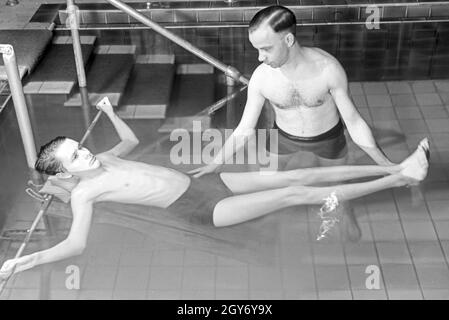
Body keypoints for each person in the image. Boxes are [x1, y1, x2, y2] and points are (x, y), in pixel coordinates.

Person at [0, 97, 429, 280]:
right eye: (75, 157)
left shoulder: (105, 159)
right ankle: (400, 177)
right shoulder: (83, 194)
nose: (86, 153)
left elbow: (129, 143)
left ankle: (396, 167)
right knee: (292, 194)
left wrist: (111, 111)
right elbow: (76, 245)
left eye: (80, 145)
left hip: (204, 182)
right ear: (66, 172)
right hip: (199, 210)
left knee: (297, 175)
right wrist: (21, 264)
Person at [189, 5, 396, 240]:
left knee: (337, 182)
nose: (259, 57)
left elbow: (354, 122)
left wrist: (386, 165)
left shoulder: (327, 69)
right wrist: (214, 164)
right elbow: (244, 129)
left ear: (288, 39)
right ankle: (269, 216)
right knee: (269, 179)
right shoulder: (262, 77)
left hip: (327, 138)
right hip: (283, 137)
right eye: (257, 49)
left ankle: (346, 212)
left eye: (266, 49)